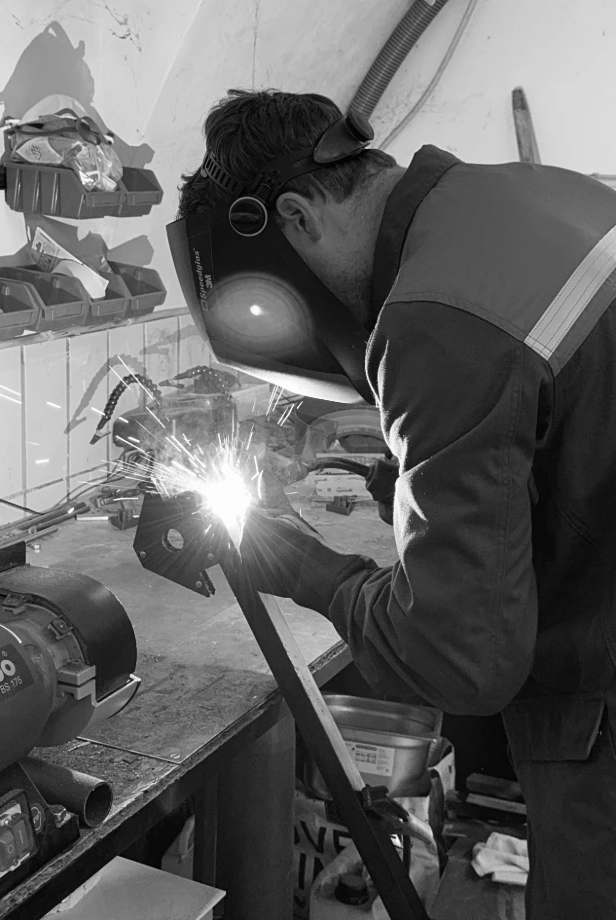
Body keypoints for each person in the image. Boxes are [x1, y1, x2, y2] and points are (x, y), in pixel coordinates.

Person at [174, 88, 616, 920]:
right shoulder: (538, 196)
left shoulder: (434, 315)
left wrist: (305, 568)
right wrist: (414, 487)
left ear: (297, 219)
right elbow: (577, 443)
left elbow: (463, 660)